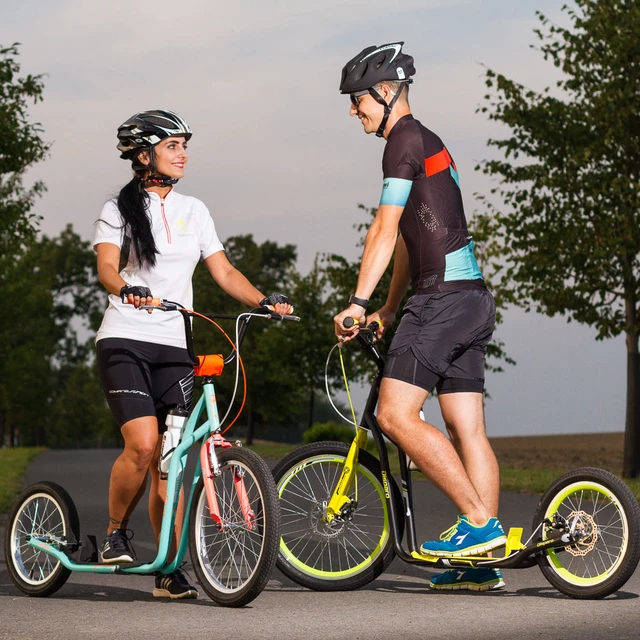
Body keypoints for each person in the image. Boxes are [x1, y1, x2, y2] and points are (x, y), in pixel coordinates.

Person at [93, 109, 292, 599]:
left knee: (173, 462)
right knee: (142, 444)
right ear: (144, 155)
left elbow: (223, 272)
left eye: (185, 144)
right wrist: (128, 290)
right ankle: (116, 533)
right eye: (172, 145)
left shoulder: (195, 210)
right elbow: (106, 268)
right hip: (125, 339)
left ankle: (168, 566)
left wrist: (263, 300)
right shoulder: (117, 210)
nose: (183, 153)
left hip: (174, 345)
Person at [333, 44, 506, 592]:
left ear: (385, 93)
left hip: (442, 302)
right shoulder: (426, 142)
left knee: (394, 415)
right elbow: (411, 239)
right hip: (472, 298)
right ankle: (482, 564)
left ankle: (478, 525)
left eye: (357, 100)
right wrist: (387, 306)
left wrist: (358, 303)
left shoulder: (402, 141)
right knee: (466, 428)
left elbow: (384, 231)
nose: (352, 111)